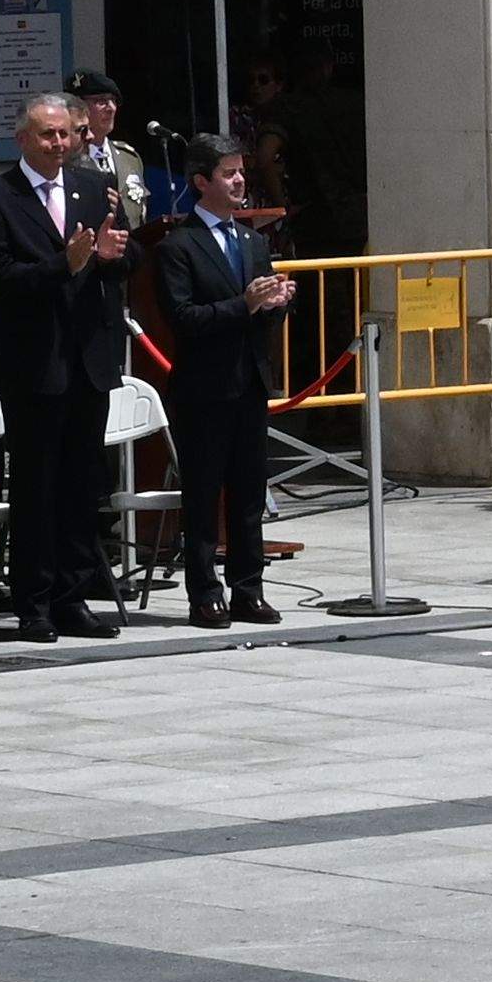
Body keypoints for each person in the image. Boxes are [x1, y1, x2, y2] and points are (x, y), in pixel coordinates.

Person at [0, 94, 136, 638]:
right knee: (37, 487)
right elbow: (1, 277)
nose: (60, 144)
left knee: (84, 485)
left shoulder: (90, 188)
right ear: (23, 140)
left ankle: (73, 596)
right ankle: (33, 601)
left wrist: (110, 257)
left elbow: (127, 258)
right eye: (47, 136)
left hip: (89, 359)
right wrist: (66, 264)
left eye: (66, 135)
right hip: (35, 363)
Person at [149, 134, 291, 627]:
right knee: (204, 493)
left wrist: (276, 303)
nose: (239, 181)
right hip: (203, 389)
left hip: (249, 383)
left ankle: (248, 587)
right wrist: (245, 304)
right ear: (201, 182)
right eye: (228, 174)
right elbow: (184, 319)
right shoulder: (177, 247)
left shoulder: (252, 242)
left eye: (240, 172)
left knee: (249, 491)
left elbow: (262, 314)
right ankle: (204, 591)